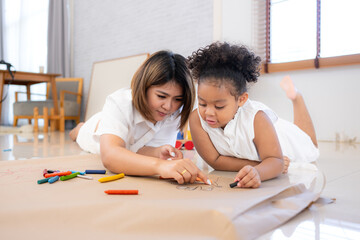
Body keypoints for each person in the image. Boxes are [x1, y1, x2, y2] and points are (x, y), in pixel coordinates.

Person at [187, 42, 319, 188]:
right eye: (202, 103)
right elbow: (215, 160)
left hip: (282, 137)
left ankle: (297, 98)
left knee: (311, 145)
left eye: (219, 106)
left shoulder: (257, 118)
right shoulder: (197, 119)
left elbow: (277, 161)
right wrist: (258, 166)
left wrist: (260, 171)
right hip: (261, 151)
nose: (208, 112)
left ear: (242, 99)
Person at [70, 50, 209, 184]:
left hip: (126, 139)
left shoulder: (173, 113)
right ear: (144, 87)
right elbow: (110, 156)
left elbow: (137, 151)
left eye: (178, 99)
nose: (168, 106)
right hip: (95, 128)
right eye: (161, 96)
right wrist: (160, 165)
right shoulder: (119, 102)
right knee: (77, 133)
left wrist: (157, 152)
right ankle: (79, 128)